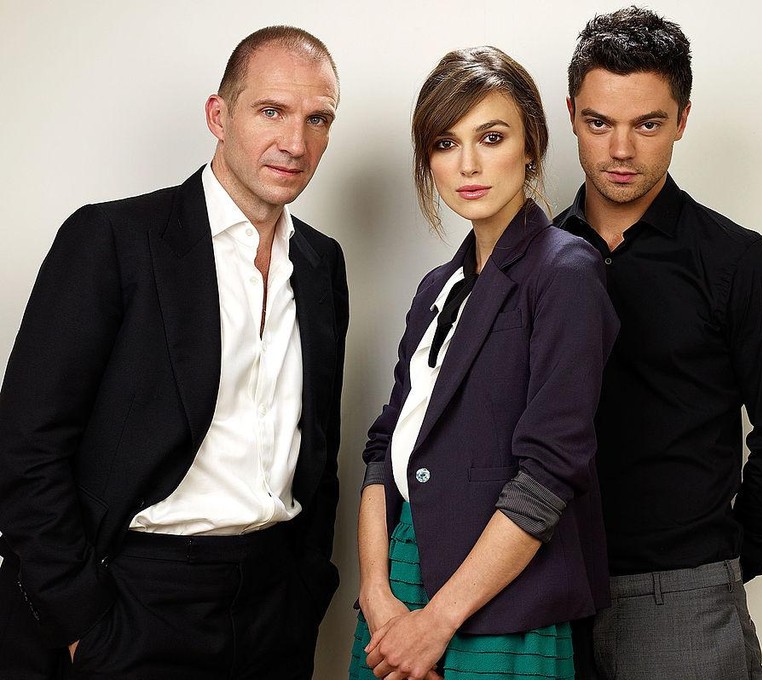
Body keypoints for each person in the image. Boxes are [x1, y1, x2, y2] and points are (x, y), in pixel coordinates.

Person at [0, 25, 348, 680]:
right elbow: (25, 446)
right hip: (136, 600)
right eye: (271, 110)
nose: (295, 143)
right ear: (219, 116)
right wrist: (82, 624)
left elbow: (319, 449)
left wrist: (307, 586)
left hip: (274, 608)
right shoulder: (112, 240)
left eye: (317, 118)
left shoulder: (321, 262)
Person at [556, 7, 762, 679]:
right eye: (599, 123)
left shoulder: (734, 262)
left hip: (682, 599)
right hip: (547, 594)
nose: (620, 150)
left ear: (680, 120)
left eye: (646, 124)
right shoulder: (534, 256)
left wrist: (725, 558)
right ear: (570, 115)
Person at [348, 46, 618, 680]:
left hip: (497, 603)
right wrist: (376, 595)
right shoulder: (435, 289)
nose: (466, 164)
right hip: (396, 587)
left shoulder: (566, 274)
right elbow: (385, 446)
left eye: (490, 137)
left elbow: (547, 477)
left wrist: (436, 623)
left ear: (531, 146)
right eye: (446, 143)